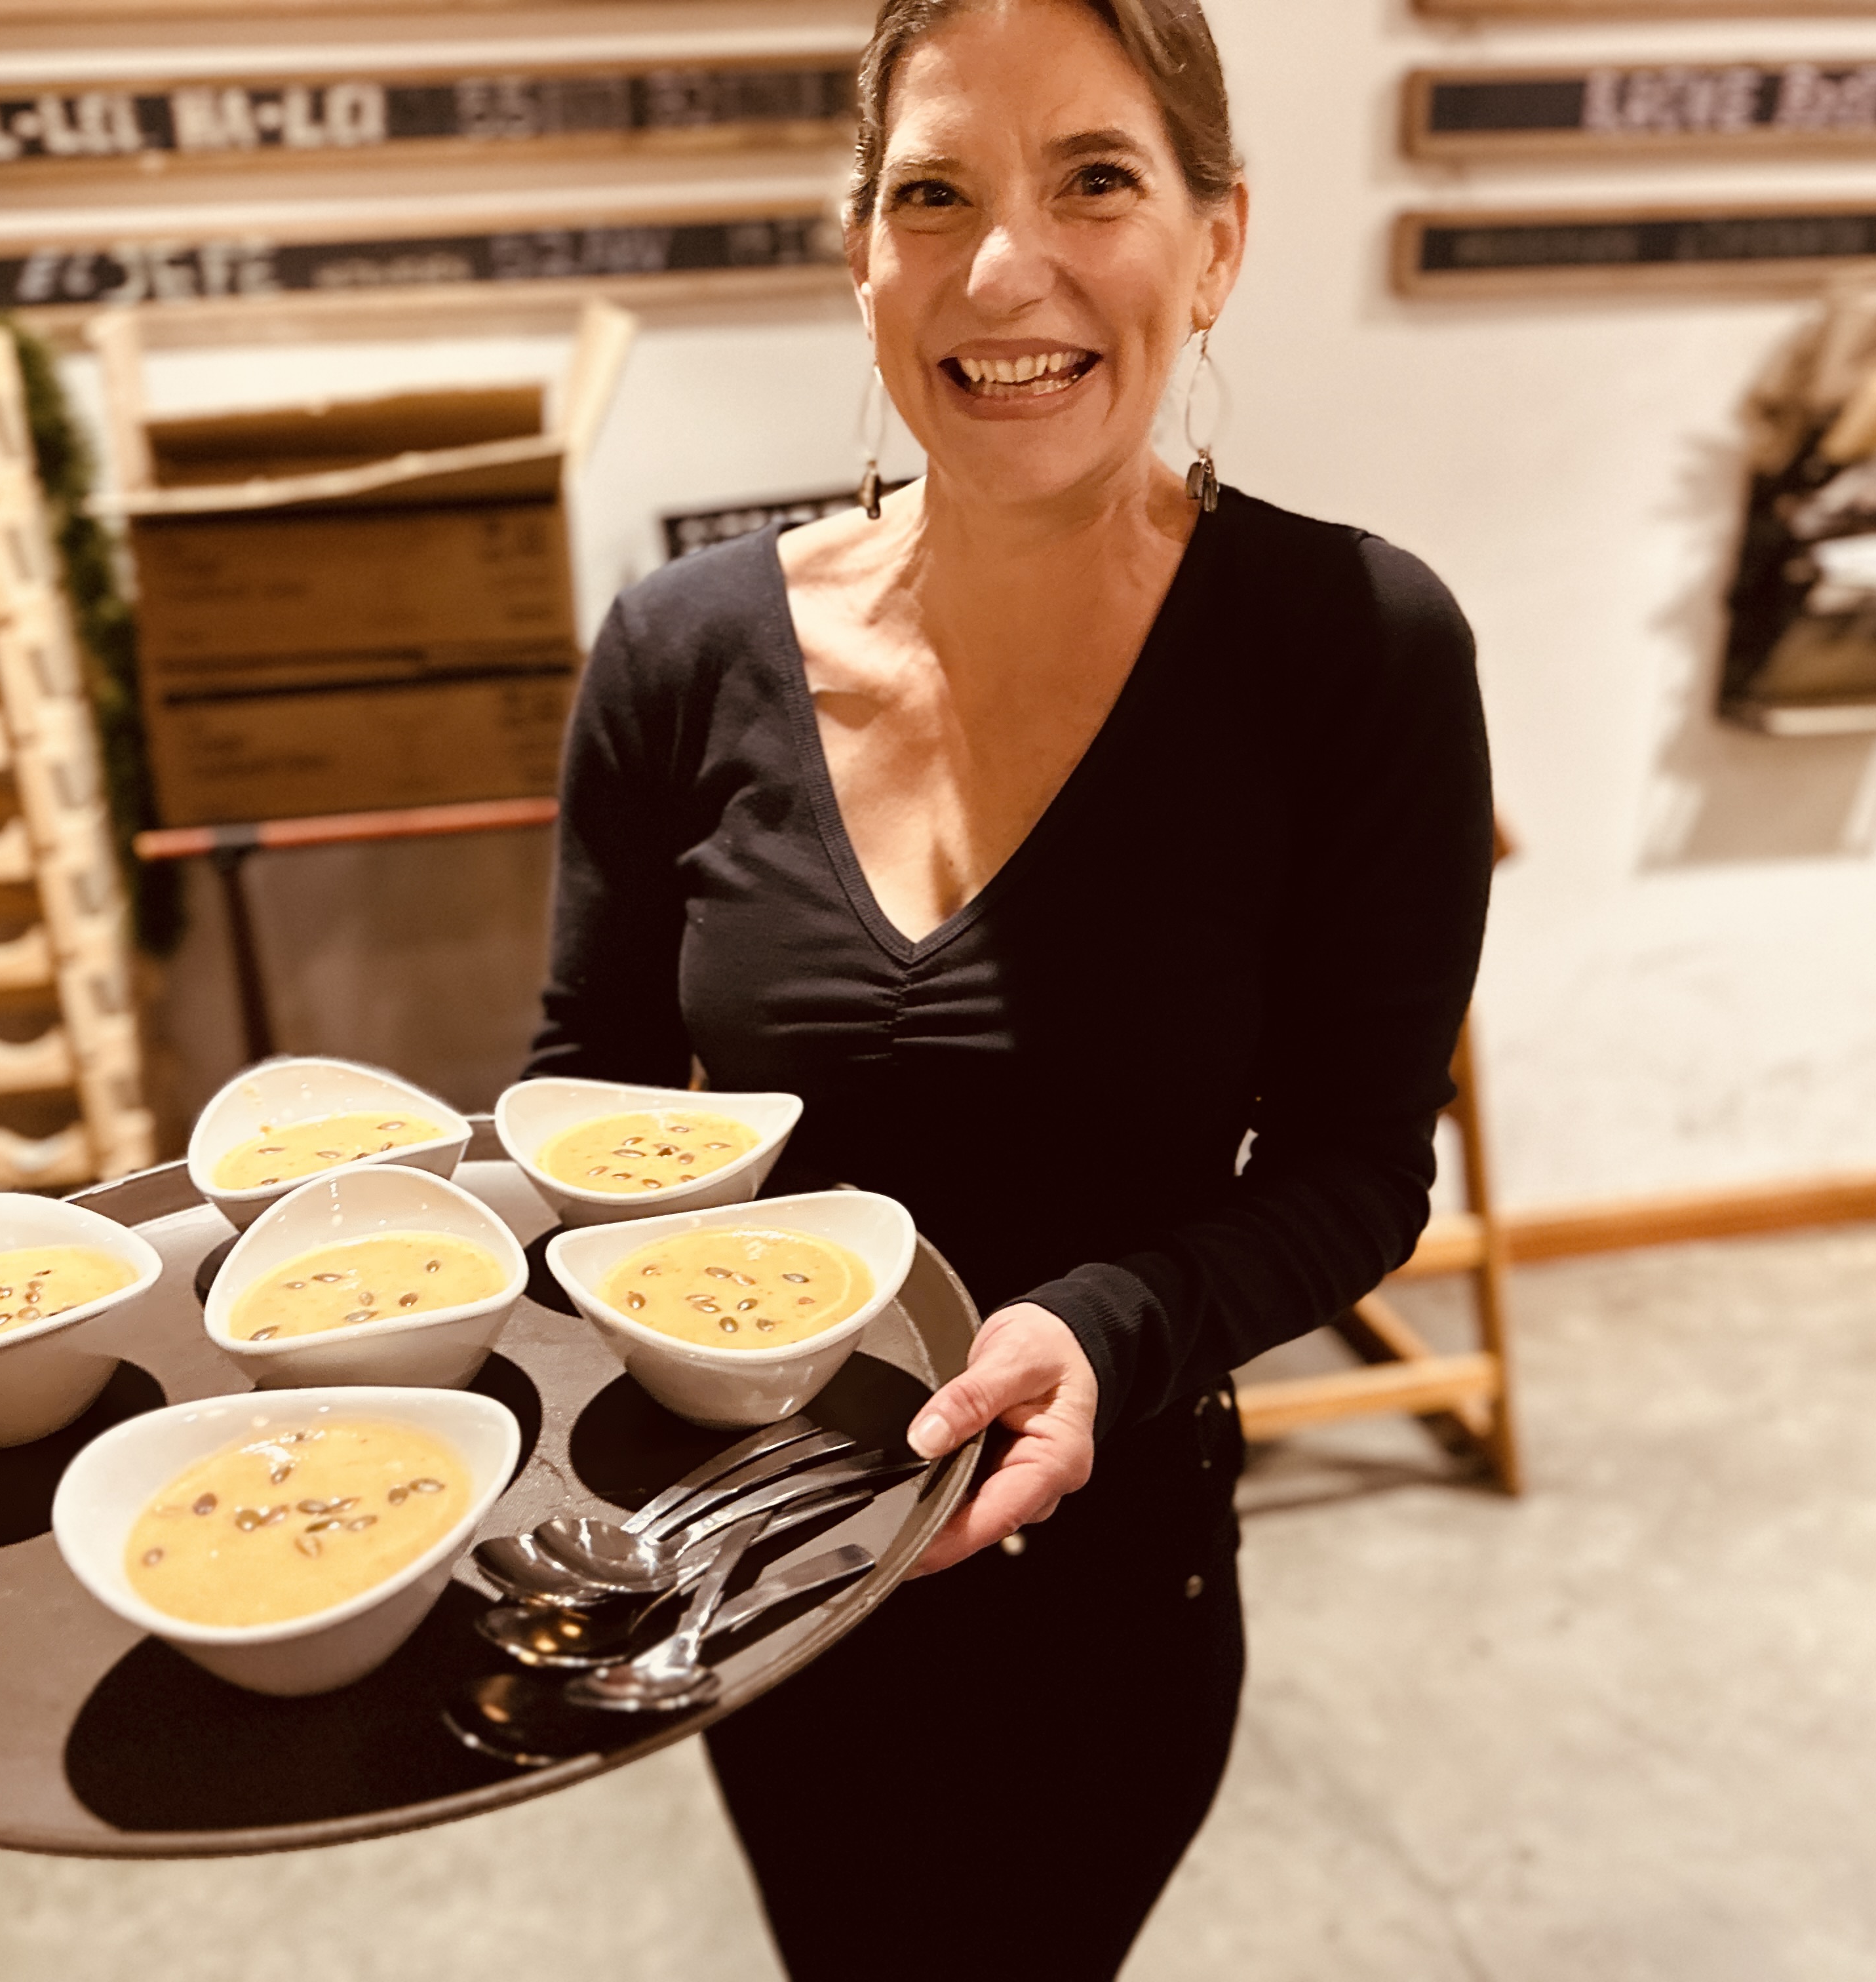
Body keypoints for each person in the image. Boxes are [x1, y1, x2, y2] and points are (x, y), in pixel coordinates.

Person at [525, 0, 1493, 1972]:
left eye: (1096, 182)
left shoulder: (1354, 651)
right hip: (760, 1567)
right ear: (860, 257)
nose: (1003, 270)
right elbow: (588, 1096)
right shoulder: (680, 653)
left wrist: (1114, 1326)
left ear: (1217, 243)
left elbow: (1355, 1166)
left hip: (1108, 1568)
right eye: (935, 194)